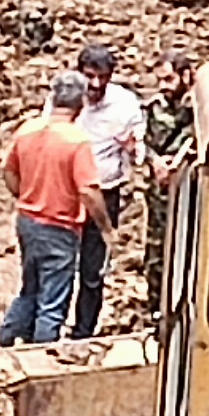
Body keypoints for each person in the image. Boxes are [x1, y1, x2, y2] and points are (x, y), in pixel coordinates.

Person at [0, 72, 103, 348]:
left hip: (27, 221)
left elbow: (7, 170)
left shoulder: (27, 130)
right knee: (53, 299)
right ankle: (41, 353)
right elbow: (89, 191)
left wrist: (24, 195)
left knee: (30, 287)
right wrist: (105, 226)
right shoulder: (76, 141)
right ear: (80, 103)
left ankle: (6, 337)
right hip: (59, 226)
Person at [71, 41, 148, 336]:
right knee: (60, 262)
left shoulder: (126, 104)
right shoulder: (65, 97)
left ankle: (83, 332)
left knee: (93, 269)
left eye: (103, 77)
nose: (96, 84)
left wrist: (131, 149)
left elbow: (140, 151)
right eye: (90, 76)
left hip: (105, 192)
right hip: (69, 193)